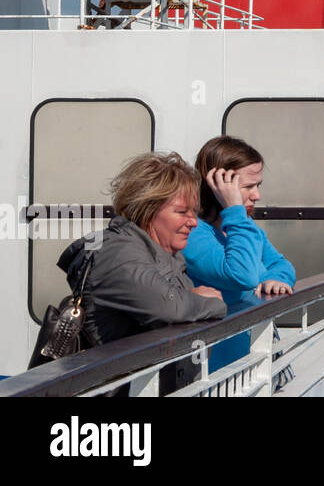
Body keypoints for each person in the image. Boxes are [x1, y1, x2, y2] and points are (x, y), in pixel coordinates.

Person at [57, 152, 226, 347]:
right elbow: (168, 306)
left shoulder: (163, 254)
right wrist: (206, 301)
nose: (194, 222)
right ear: (147, 210)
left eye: (194, 212)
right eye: (182, 212)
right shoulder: (117, 254)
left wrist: (191, 300)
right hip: (123, 376)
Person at [182, 136, 295, 378]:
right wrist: (233, 209)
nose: (257, 196)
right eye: (247, 187)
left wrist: (276, 279)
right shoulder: (193, 233)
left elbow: (281, 264)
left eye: (258, 185)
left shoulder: (244, 227)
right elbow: (241, 275)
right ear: (218, 186)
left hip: (256, 363)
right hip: (218, 374)